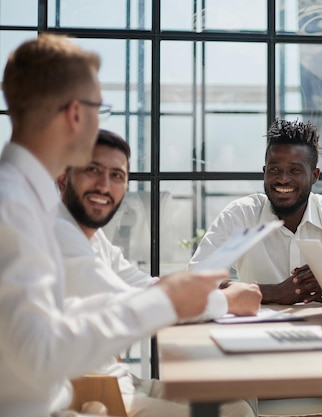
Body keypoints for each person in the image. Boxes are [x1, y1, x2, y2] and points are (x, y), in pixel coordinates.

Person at [0, 34, 226, 417]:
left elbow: (52, 316)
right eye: (99, 107)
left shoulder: (25, 199)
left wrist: (169, 295)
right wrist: (167, 301)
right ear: (75, 114)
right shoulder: (13, 207)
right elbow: (40, 351)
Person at [55, 129, 261, 417]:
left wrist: (211, 290)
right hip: (89, 395)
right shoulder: (57, 234)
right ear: (63, 177)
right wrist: (227, 302)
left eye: (117, 175)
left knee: (237, 403)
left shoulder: (91, 236)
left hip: (119, 381)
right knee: (235, 414)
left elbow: (144, 285)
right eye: (93, 170)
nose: (104, 185)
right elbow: (133, 303)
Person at [188, 118, 322, 305]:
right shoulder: (240, 215)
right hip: (256, 334)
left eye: (295, 170)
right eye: (275, 169)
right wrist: (274, 292)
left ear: (314, 175)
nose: (283, 179)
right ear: (265, 172)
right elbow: (196, 280)